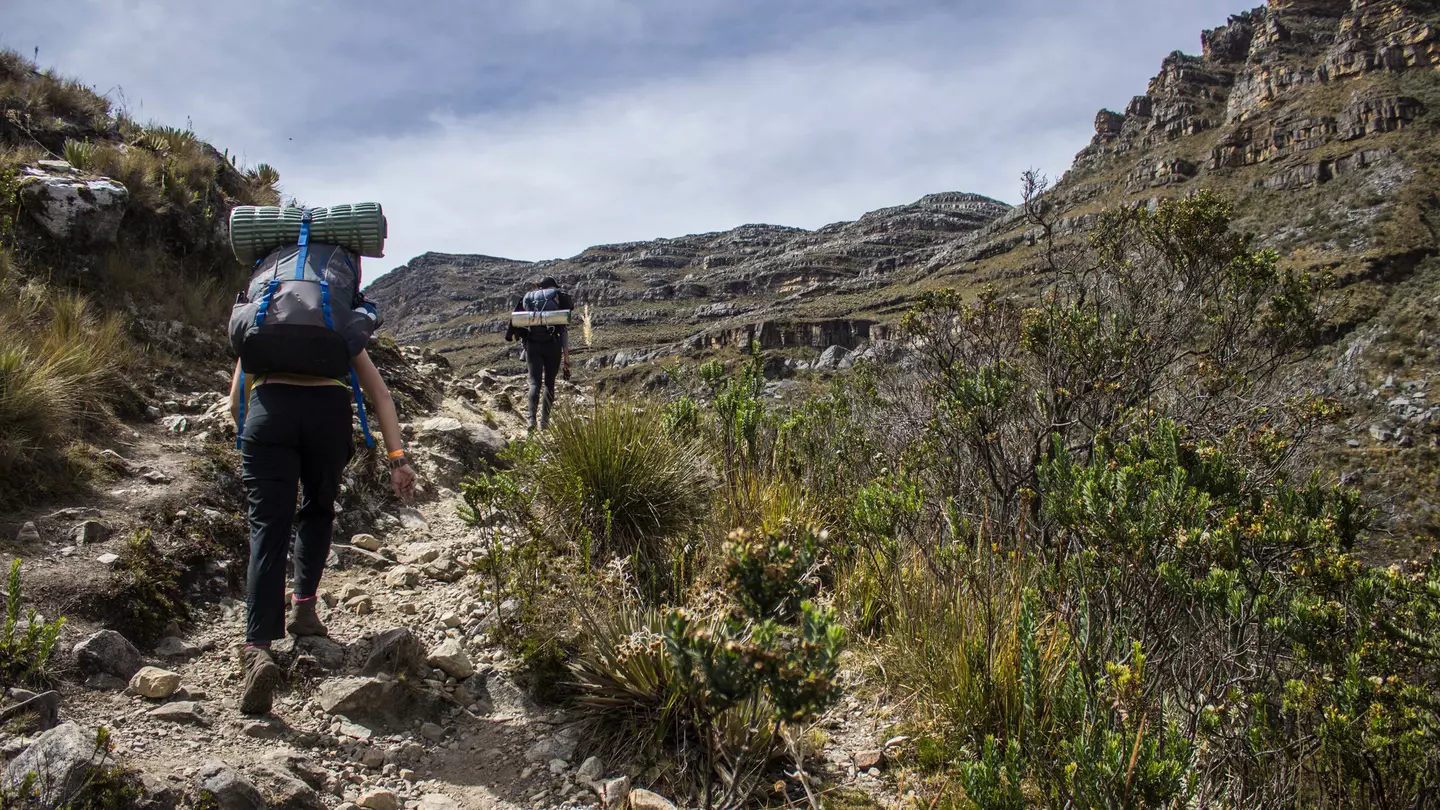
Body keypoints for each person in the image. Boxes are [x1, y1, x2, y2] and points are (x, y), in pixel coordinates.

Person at [228, 324, 416, 716]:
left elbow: (235, 401)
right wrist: (397, 459)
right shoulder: (334, 320)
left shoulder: (263, 321)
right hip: (328, 415)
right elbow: (380, 394)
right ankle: (304, 609)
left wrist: (252, 434)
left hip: (268, 410)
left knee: (267, 528)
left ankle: (258, 648)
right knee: (317, 510)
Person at [505, 275, 572, 431]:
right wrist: (566, 357)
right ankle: (544, 424)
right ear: (552, 287)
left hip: (532, 346)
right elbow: (563, 330)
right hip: (552, 345)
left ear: (539, 287)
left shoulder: (528, 298)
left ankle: (531, 421)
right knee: (549, 383)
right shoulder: (556, 298)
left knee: (534, 383)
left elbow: (518, 323)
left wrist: (525, 346)